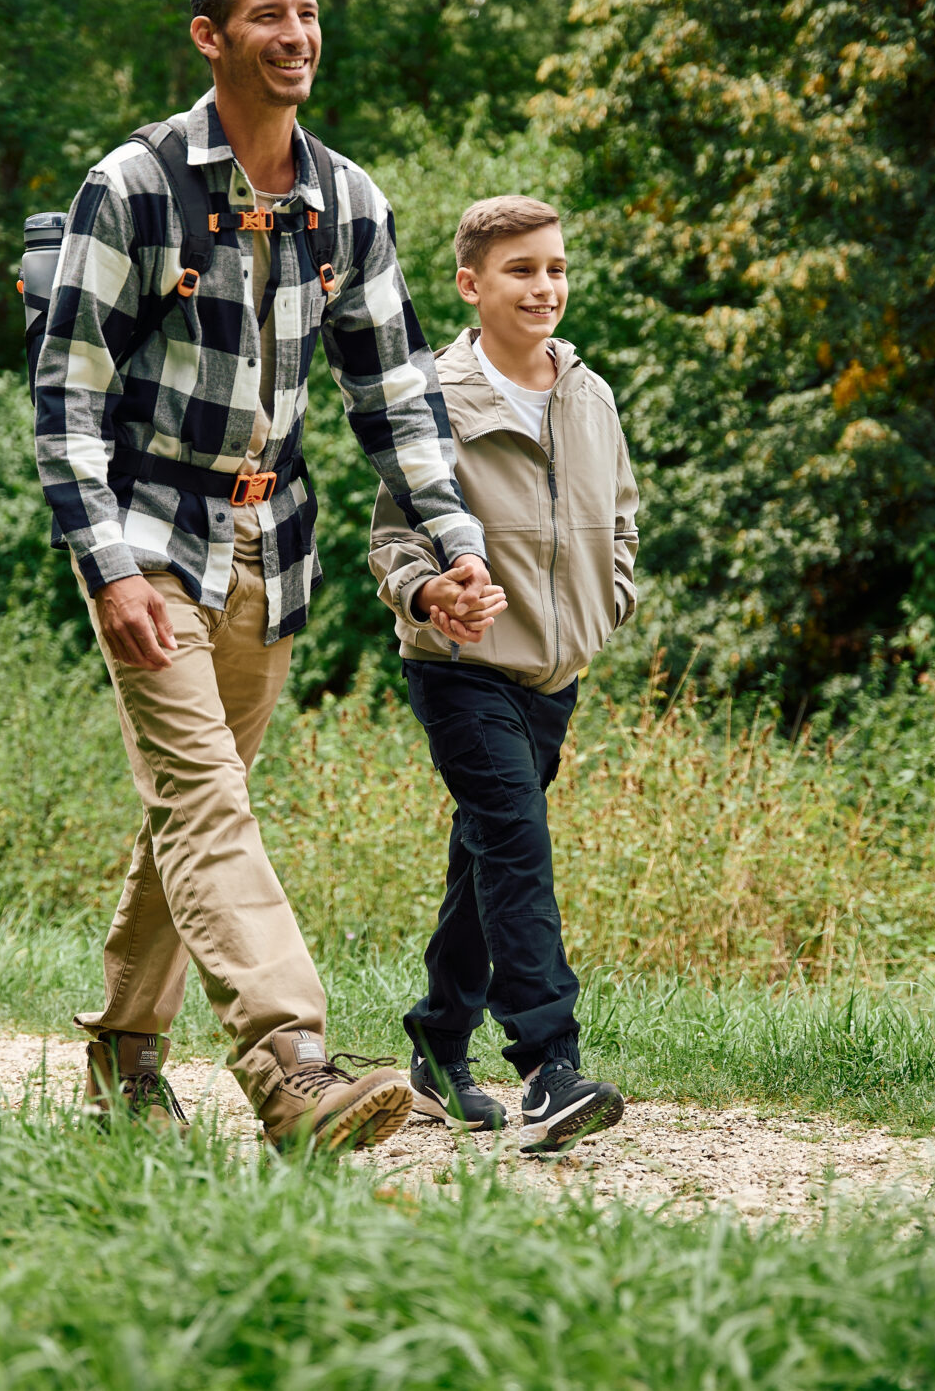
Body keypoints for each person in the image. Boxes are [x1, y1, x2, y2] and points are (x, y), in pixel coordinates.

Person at [34, 0, 507, 1152]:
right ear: (210, 36)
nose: (296, 36)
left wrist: (450, 545)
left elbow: (394, 397)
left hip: (271, 543)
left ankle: (125, 1053)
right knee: (204, 799)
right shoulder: (132, 186)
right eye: (267, 18)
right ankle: (291, 1064)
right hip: (149, 531)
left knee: (198, 804)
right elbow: (69, 397)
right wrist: (109, 564)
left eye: (306, 15)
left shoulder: (348, 201)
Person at [369, 195, 640, 1153]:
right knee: (517, 841)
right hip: (462, 668)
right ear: (471, 283)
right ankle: (549, 1068)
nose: (546, 286)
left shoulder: (589, 394)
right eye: (522, 269)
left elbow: (622, 520)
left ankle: (439, 1045)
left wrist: (612, 600)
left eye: (556, 267)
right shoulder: (433, 396)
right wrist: (432, 590)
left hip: (553, 673)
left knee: (486, 854)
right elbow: (393, 542)